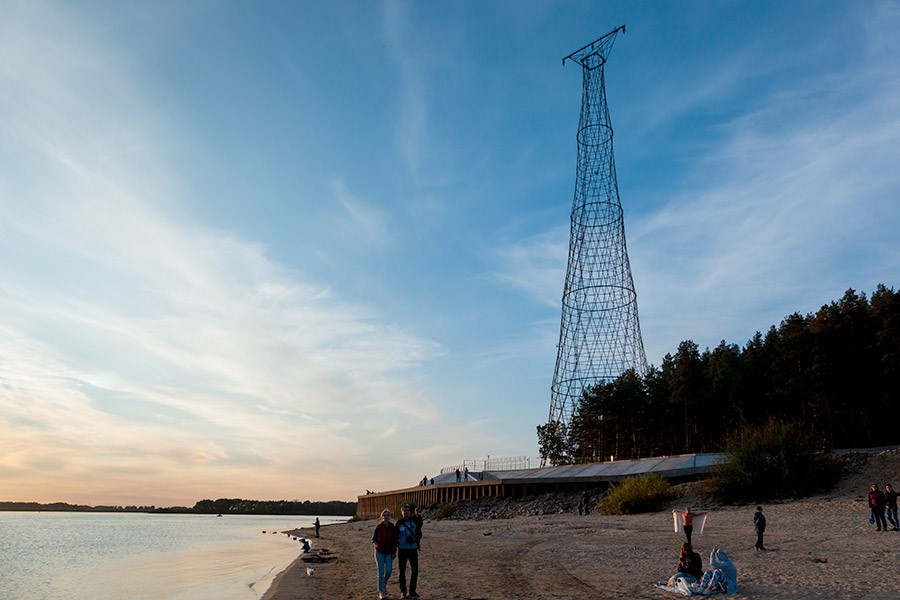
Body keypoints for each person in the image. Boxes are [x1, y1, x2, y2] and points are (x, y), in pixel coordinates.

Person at [395, 505, 422, 599]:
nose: (406, 512)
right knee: (402, 571)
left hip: (413, 549)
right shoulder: (399, 523)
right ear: (402, 512)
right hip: (402, 550)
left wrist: (417, 514)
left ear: (410, 512)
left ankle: (412, 591)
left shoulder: (414, 520)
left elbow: (420, 523)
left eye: (407, 510)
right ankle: (403, 592)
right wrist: (394, 549)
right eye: (404, 511)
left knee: (415, 570)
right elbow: (395, 536)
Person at [372, 509, 398, 599]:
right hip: (379, 552)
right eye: (385, 515)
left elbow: (394, 541)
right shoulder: (379, 527)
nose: (386, 517)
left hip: (388, 553)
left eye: (388, 515)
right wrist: (376, 545)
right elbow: (373, 539)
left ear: (390, 517)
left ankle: (384, 583)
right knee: (381, 572)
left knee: (389, 571)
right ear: (382, 517)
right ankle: (381, 591)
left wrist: (394, 551)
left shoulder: (392, 527)